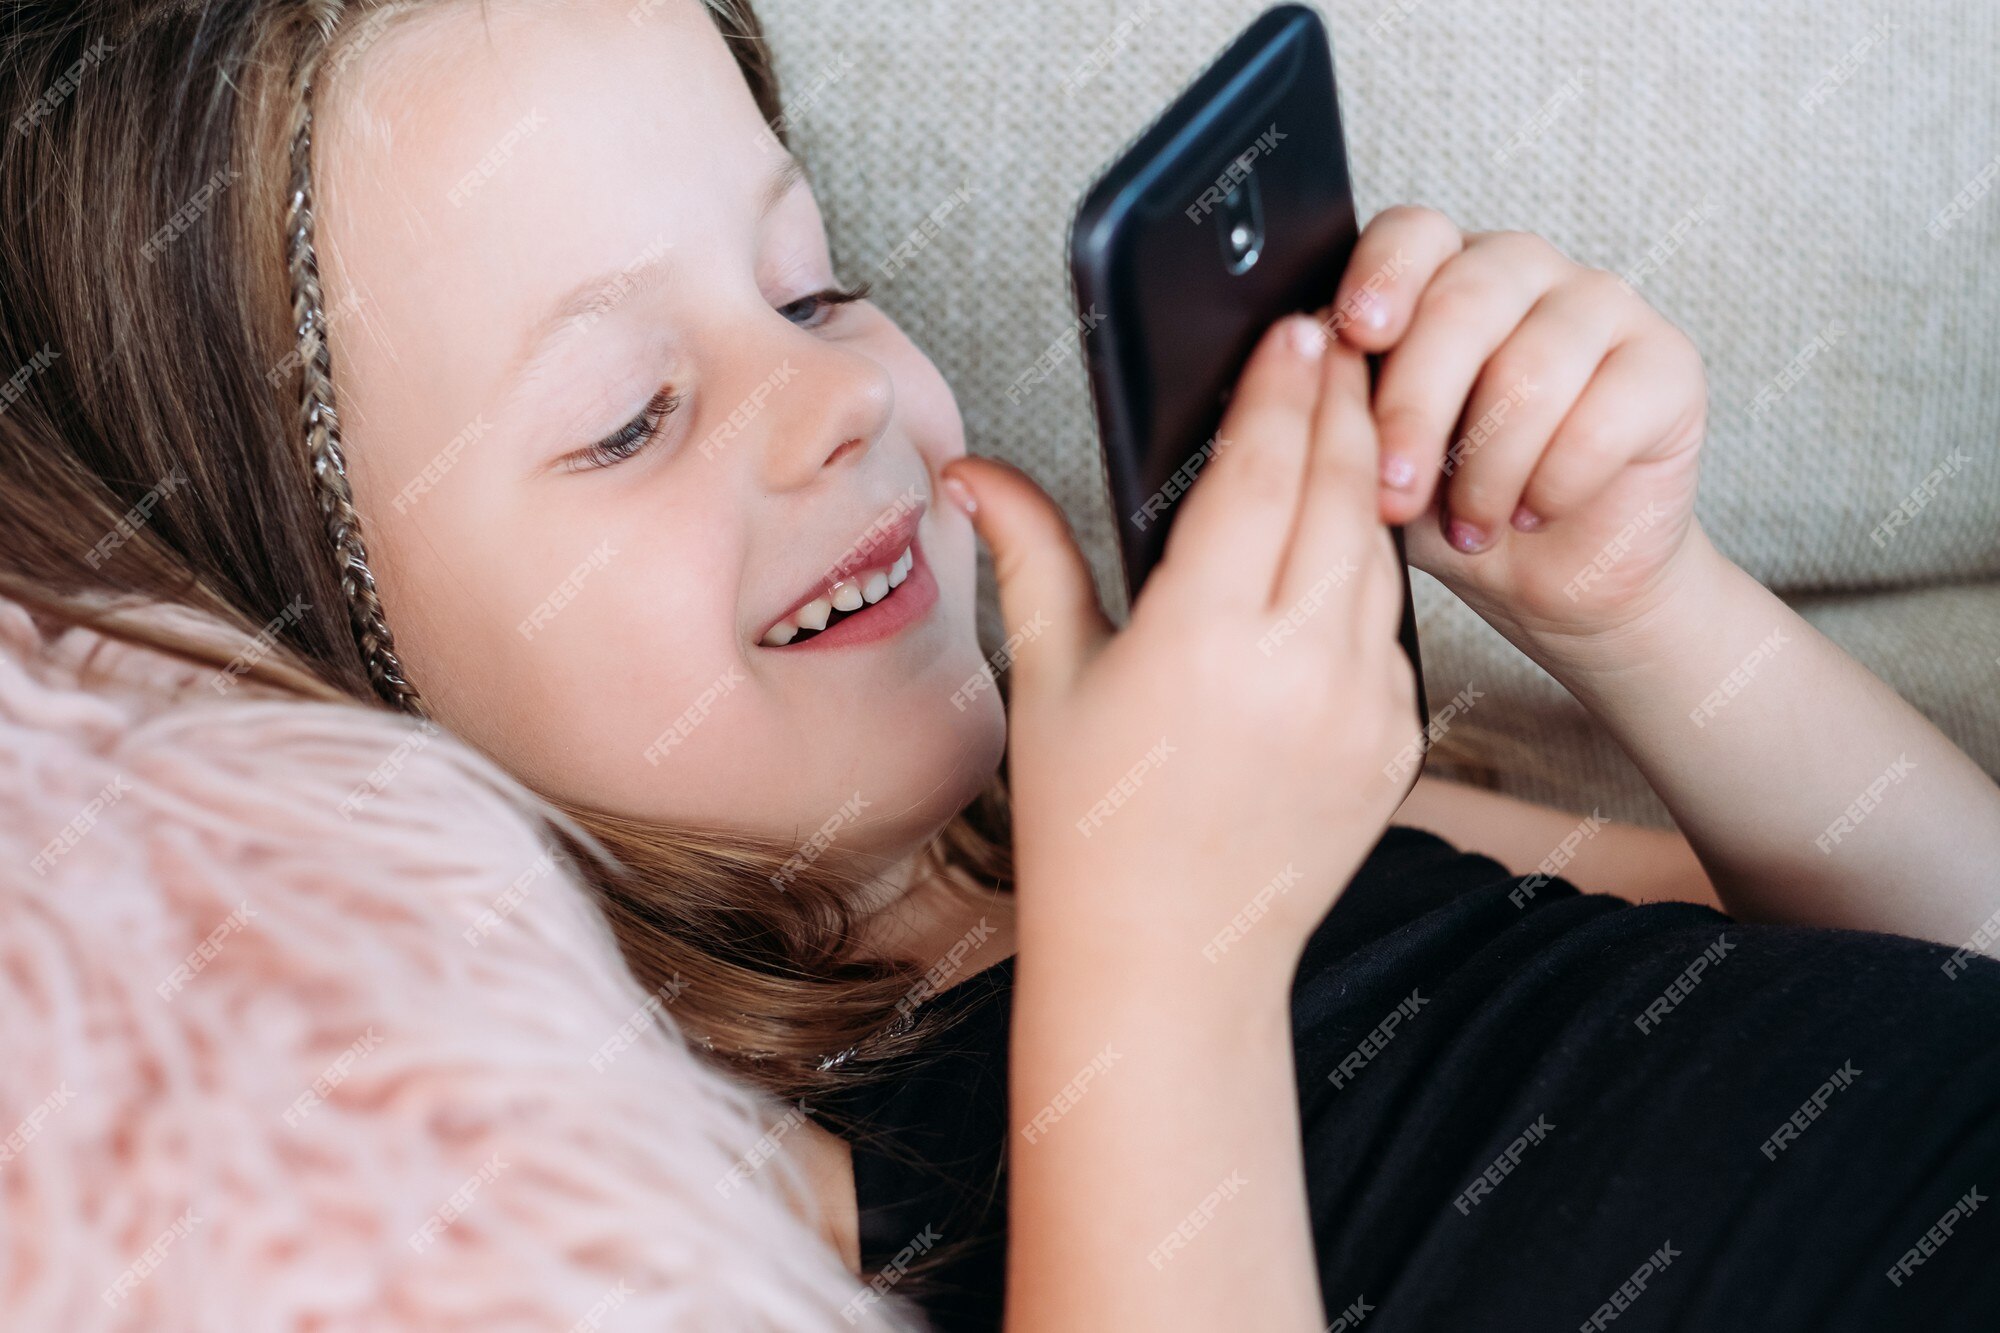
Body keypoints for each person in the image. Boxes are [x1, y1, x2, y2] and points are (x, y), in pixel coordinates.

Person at [2, 1, 1996, 1328]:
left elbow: (1950, 975)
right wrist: (1168, 963)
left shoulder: (1120, 796)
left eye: (812, 281)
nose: (836, 395)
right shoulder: (714, 1190)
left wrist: (1631, 609)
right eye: (628, 416)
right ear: (321, 682)